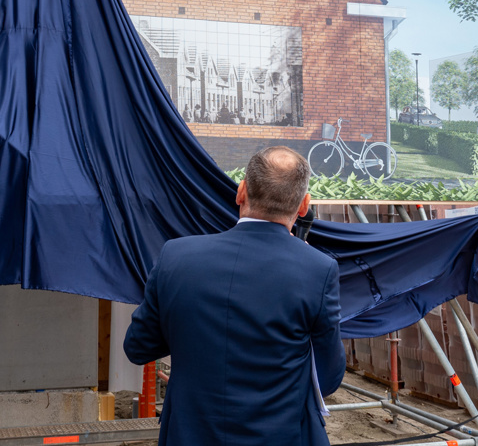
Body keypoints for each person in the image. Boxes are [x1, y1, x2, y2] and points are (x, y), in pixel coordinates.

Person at [124, 146, 344, 445]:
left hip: (189, 435)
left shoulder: (176, 256)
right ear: (304, 205)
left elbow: (138, 347)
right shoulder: (318, 270)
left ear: (241, 192)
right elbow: (328, 378)